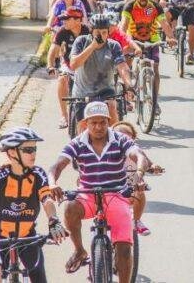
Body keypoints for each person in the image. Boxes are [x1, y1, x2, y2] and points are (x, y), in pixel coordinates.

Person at [47, 102, 149, 281]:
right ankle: (79, 250)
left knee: (124, 249)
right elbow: (56, 166)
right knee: (70, 207)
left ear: (108, 122)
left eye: (102, 122)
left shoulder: (120, 139)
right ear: (86, 123)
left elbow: (139, 155)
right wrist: (52, 183)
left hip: (116, 194)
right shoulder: (77, 143)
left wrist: (139, 175)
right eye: (93, 123)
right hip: (88, 194)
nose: (98, 127)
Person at [0, 128, 67, 283]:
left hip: (27, 235)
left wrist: (53, 220)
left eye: (34, 149)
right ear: (11, 153)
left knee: (39, 277)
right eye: (28, 150)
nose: (33, 154)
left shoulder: (38, 175)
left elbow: (47, 200)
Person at [120, 0, 176, 115]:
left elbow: (164, 24)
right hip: (133, 39)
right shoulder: (129, 6)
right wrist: (122, 41)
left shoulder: (155, 7)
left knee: (155, 68)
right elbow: (124, 25)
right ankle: (128, 94)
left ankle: (154, 101)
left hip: (152, 39)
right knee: (126, 65)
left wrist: (171, 37)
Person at [69, 14, 134, 126]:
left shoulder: (114, 46)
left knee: (112, 108)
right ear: (91, 31)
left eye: (104, 32)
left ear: (108, 32)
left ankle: (115, 139)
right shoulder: (81, 41)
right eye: (97, 32)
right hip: (82, 92)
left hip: (105, 90)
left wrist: (129, 85)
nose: (101, 36)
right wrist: (92, 47)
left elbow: (122, 66)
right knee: (82, 128)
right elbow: (74, 65)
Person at [113, 121, 164, 236]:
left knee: (140, 190)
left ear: (132, 140)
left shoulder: (136, 152)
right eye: (117, 136)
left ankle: (136, 221)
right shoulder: (107, 152)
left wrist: (153, 167)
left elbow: (147, 162)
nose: (121, 140)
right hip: (110, 192)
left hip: (130, 190)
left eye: (126, 137)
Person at [47, 8, 89, 128]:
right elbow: (52, 50)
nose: (64, 22)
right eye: (63, 19)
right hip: (68, 64)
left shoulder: (89, 31)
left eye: (67, 19)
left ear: (77, 20)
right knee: (62, 79)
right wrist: (50, 66)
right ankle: (64, 115)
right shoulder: (62, 32)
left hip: (86, 65)